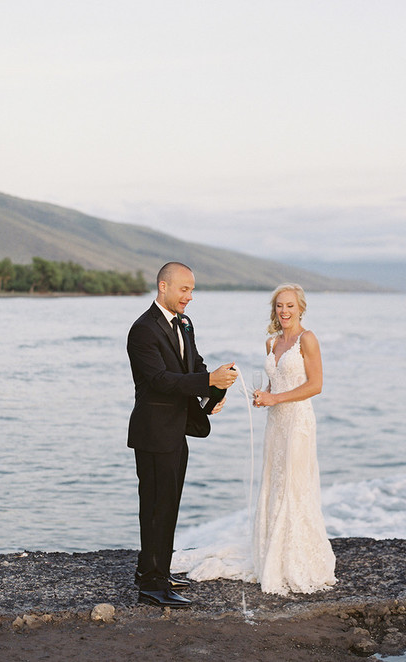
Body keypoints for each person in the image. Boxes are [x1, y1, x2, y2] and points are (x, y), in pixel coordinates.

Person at [127, 261, 238, 608]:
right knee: (156, 507)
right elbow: (160, 381)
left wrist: (214, 393)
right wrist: (207, 382)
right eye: (184, 289)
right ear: (163, 286)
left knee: (169, 505)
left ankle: (157, 570)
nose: (190, 296)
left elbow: (194, 365)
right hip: (153, 433)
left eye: (192, 290)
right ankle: (150, 585)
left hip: (177, 431)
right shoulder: (143, 330)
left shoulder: (185, 324)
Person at [252, 283, 337, 595]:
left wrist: (276, 399)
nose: (284, 311)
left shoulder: (307, 339)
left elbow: (316, 385)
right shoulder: (271, 342)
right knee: (275, 482)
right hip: (276, 423)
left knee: (295, 484)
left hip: (299, 421)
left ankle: (298, 558)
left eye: (289, 306)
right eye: (279, 306)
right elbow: (274, 388)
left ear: (301, 308)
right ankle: (272, 552)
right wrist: (264, 398)